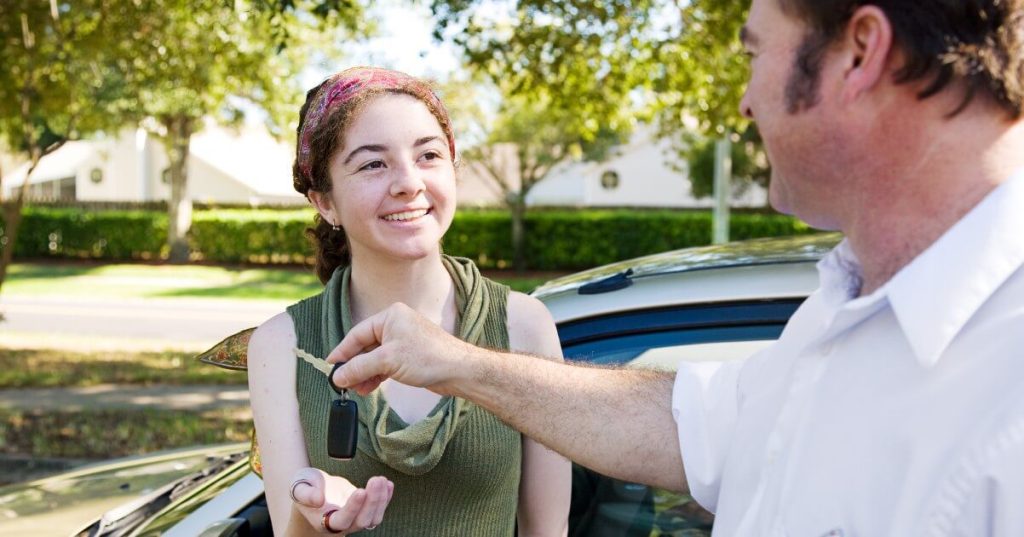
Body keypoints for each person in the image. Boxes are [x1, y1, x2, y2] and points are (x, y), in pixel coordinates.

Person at [327, 1, 1024, 535]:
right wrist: (458, 363)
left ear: (860, 52)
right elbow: (692, 426)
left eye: (755, 52)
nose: (746, 100)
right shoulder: (849, 310)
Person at [247, 66, 571, 536]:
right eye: (373, 164)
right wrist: (313, 518)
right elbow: (289, 530)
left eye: (428, 155)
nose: (408, 182)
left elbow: (548, 531)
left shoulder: (524, 325)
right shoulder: (282, 344)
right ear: (325, 203)